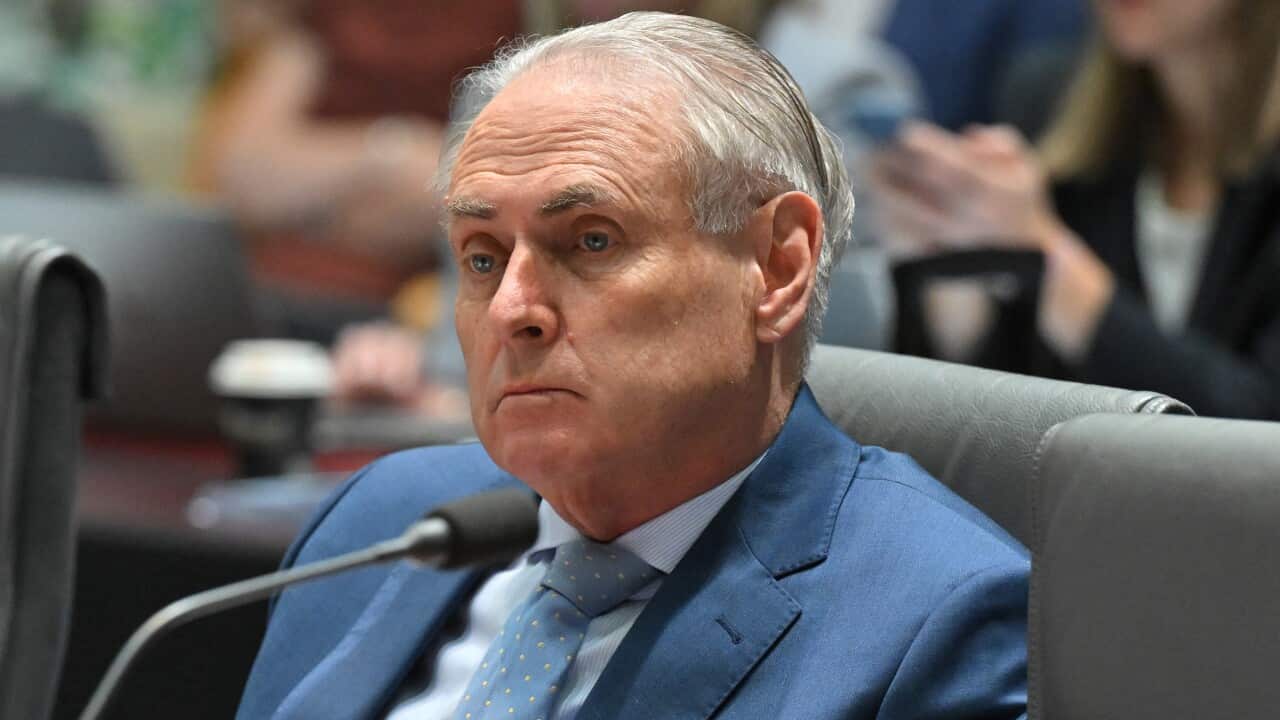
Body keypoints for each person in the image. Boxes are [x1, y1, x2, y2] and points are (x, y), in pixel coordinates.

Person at [236, 12, 1029, 720]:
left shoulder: (937, 619)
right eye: (482, 257)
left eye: (591, 241)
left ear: (777, 267)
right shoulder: (383, 521)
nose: (514, 308)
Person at [875, 0, 1280, 419]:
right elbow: (1003, 414)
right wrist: (952, 257)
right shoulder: (1050, 102)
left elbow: (1261, 423)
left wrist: (1049, 258)